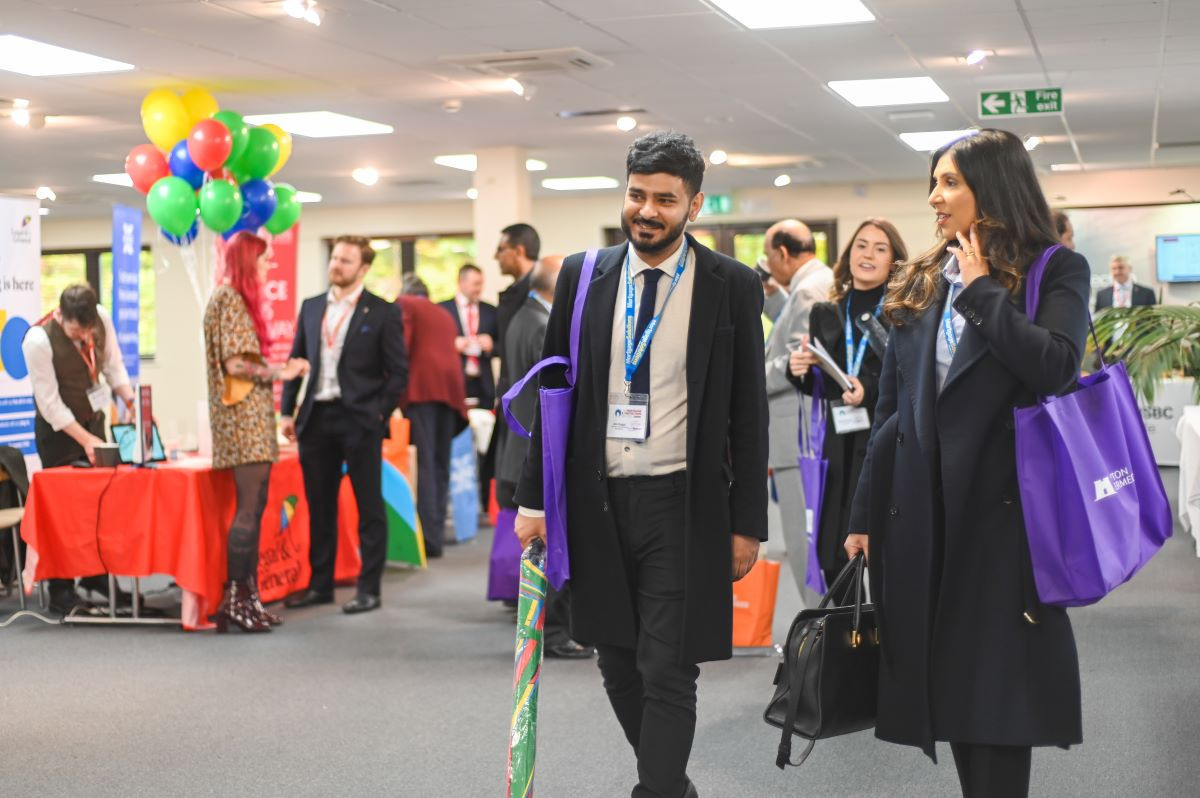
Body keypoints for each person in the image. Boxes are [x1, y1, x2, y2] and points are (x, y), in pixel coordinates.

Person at [514, 131, 768, 798]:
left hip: (681, 504)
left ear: (694, 205)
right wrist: (533, 499)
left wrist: (748, 525)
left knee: (668, 666)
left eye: (664, 199)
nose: (647, 211)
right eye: (636, 195)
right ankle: (673, 787)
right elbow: (553, 387)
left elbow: (748, 411)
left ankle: (654, 792)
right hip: (597, 501)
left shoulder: (731, 284)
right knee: (617, 661)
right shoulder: (583, 273)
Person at [846, 129, 1090, 797]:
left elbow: (1057, 369)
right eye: (934, 182)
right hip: (925, 520)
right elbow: (891, 414)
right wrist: (865, 513)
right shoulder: (921, 279)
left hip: (1008, 524)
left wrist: (983, 293)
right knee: (952, 696)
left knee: (1000, 703)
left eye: (950, 182)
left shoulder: (1055, 270)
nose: (935, 196)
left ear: (995, 186)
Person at [280, 235, 408, 614]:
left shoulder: (382, 312)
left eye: (346, 261)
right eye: (334, 258)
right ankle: (320, 585)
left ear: (363, 269)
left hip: (360, 418)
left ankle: (369, 589)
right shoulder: (312, 306)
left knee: (368, 506)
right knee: (319, 505)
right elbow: (295, 361)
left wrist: (378, 412)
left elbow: (399, 373)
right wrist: (287, 410)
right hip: (316, 417)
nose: (336, 265)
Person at [787, 218, 907, 586]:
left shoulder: (903, 314)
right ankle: (847, 640)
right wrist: (801, 371)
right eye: (861, 245)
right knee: (835, 562)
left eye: (880, 248)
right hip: (838, 445)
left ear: (894, 261)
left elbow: (910, 378)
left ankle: (889, 642)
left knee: (889, 565)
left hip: (886, 442)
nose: (868, 254)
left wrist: (868, 388)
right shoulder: (827, 311)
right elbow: (822, 387)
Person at [203, 232, 309, 633]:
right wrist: (282, 371)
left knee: (257, 506)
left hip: (252, 419)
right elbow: (236, 365)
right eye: (263, 262)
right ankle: (234, 601)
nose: (267, 269)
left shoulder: (232, 301)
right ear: (247, 261)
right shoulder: (228, 299)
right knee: (247, 510)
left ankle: (248, 598)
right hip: (241, 421)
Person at [495, 255, 590, 659]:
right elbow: (551, 396)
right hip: (537, 450)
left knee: (541, 547)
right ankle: (554, 634)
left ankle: (551, 630)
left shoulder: (522, 317)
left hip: (518, 448)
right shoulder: (541, 323)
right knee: (551, 545)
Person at [22, 284, 136, 614]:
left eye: (88, 329)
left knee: (99, 501)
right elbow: (50, 404)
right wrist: (86, 442)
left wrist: (130, 400)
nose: (85, 335)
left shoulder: (100, 319)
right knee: (63, 511)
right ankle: (61, 588)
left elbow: (113, 365)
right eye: (77, 330)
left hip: (92, 420)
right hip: (57, 432)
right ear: (62, 317)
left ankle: (97, 574)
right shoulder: (38, 340)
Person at [760, 219, 833, 604]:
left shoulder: (806, 292)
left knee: (804, 543)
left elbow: (796, 361)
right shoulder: (818, 281)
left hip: (797, 436)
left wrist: (752, 373)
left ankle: (817, 634)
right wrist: (774, 299)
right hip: (811, 433)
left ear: (783, 253)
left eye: (769, 256)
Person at [396, 274, 469, 559]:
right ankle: (435, 534)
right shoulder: (444, 313)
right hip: (450, 394)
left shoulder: (406, 305)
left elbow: (400, 349)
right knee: (439, 466)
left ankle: (427, 539)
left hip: (421, 391)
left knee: (425, 465)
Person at [438, 264, 498, 411]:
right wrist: (451, 346)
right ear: (461, 282)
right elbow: (432, 347)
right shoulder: (442, 310)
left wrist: (491, 346)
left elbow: (503, 346)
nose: (479, 288)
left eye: (481, 283)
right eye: (475, 284)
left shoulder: (491, 310)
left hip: (483, 384)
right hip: (454, 382)